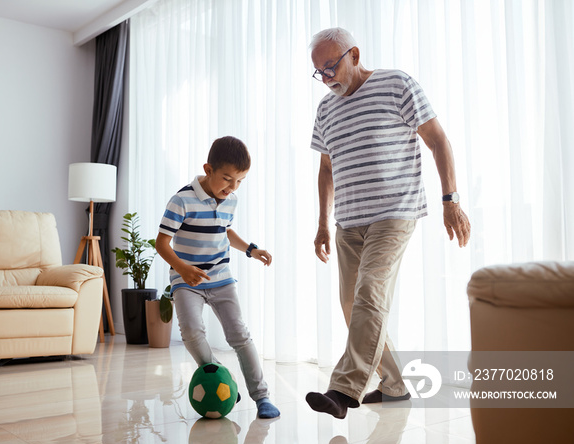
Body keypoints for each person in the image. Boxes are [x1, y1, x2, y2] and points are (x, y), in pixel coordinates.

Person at [305, 27, 471, 419]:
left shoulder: (397, 84)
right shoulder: (325, 110)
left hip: (394, 213)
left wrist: (451, 199)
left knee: (369, 294)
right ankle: (395, 387)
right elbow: (326, 169)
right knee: (352, 305)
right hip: (348, 221)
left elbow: (437, 140)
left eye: (331, 67)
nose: (327, 78)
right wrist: (323, 223)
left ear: (355, 55)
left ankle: (344, 390)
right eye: (319, 72)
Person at [155, 136, 281, 419]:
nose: (232, 187)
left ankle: (262, 397)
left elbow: (225, 231)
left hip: (221, 278)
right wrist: (183, 269)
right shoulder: (181, 200)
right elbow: (161, 243)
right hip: (187, 280)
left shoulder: (230, 200)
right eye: (227, 178)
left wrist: (251, 249)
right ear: (208, 169)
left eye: (239, 181)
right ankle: (220, 378)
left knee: (239, 334)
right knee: (191, 331)